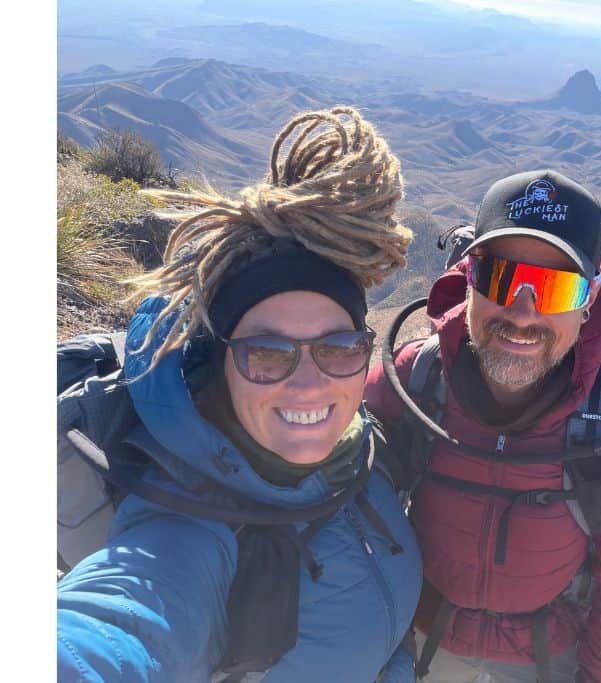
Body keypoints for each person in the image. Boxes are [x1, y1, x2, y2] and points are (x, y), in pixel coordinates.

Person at [57, 107, 422, 682]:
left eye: (339, 347)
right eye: (269, 353)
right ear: (220, 361)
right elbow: (115, 628)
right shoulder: (186, 527)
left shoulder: (359, 445)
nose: (310, 382)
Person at [364, 170, 601, 682]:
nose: (523, 313)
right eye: (500, 279)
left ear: (591, 299)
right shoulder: (410, 382)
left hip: (545, 661)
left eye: (555, 289)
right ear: (468, 278)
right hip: (418, 643)